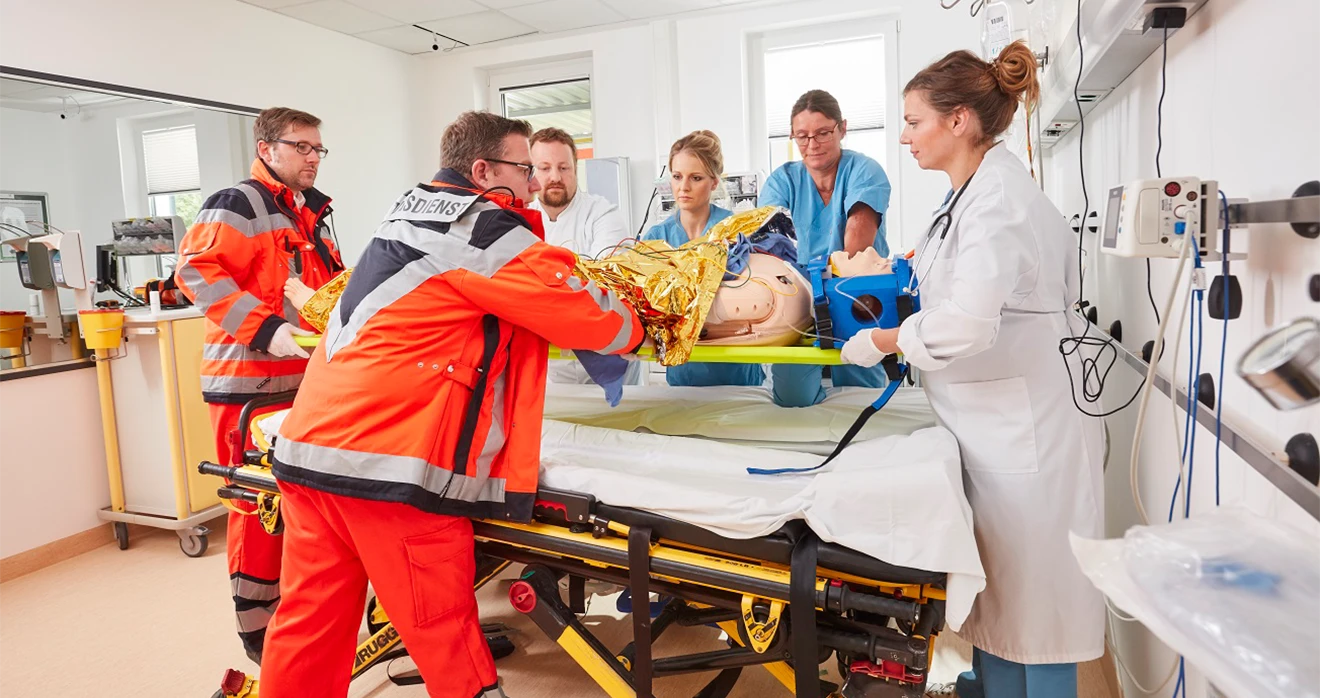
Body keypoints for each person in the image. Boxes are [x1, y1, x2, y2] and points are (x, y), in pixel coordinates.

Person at [258, 110, 646, 698]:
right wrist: (640, 322)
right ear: (484, 169)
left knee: (306, 627)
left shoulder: (408, 210)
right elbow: (591, 316)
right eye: (524, 169)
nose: (535, 184)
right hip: (388, 468)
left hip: (310, 449)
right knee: (444, 634)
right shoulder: (483, 229)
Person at [839, 41, 1105, 698]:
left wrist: (883, 339)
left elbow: (965, 322)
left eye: (914, 121)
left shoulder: (999, 201)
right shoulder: (970, 193)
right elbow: (956, 286)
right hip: (991, 431)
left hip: (1027, 441)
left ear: (959, 120)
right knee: (1003, 611)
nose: (904, 137)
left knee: (1036, 617)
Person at [173, 107, 344, 665]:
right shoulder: (238, 202)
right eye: (302, 147)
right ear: (268, 148)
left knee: (301, 508)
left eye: (318, 148)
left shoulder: (311, 214)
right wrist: (266, 330)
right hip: (245, 384)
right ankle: (259, 632)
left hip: (302, 381)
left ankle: (300, 618)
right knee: (256, 509)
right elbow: (195, 271)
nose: (313, 157)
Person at [760, 89, 894, 407]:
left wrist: (833, 290)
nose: (812, 144)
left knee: (861, 393)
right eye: (802, 136)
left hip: (854, 294)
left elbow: (857, 235)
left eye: (822, 133)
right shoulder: (783, 181)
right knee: (793, 399)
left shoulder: (864, 171)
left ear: (842, 128)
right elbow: (768, 244)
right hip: (798, 300)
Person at [643, 130, 763, 388]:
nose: (683, 187)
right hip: (683, 374)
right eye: (677, 177)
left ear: (714, 182)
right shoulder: (657, 238)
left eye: (695, 178)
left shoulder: (735, 231)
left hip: (739, 373)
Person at [528, 126, 639, 386]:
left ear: (575, 169)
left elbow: (604, 286)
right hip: (548, 372)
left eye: (563, 167)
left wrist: (540, 289)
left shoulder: (603, 215)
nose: (555, 176)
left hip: (607, 367)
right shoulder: (519, 221)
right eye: (544, 168)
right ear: (531, 172)